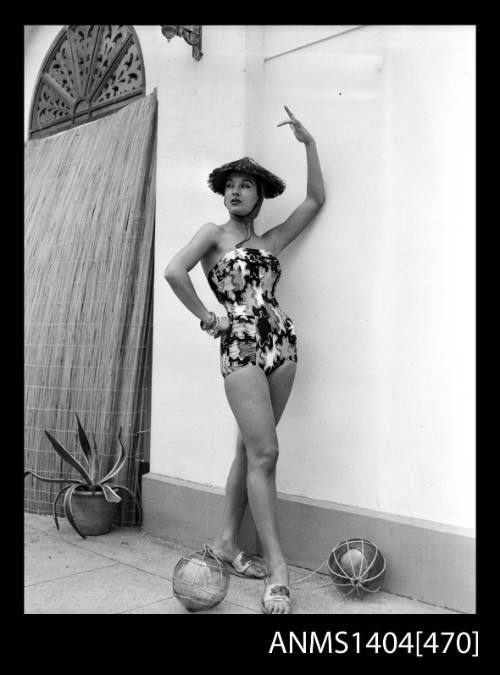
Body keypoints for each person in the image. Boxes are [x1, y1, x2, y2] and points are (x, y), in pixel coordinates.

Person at [164, 106, 325, 614]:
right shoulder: (213, 234)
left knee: (250, 450)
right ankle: (278, 570)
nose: (235, 191)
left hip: (281, 341)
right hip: (240, 344)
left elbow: (316, 200)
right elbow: (173, 272)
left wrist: (309, 144)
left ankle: (227, 544)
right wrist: (207, 317)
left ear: (259, 195)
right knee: (267, 455)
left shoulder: (272, 239)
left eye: (245, 185)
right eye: (229, 184)